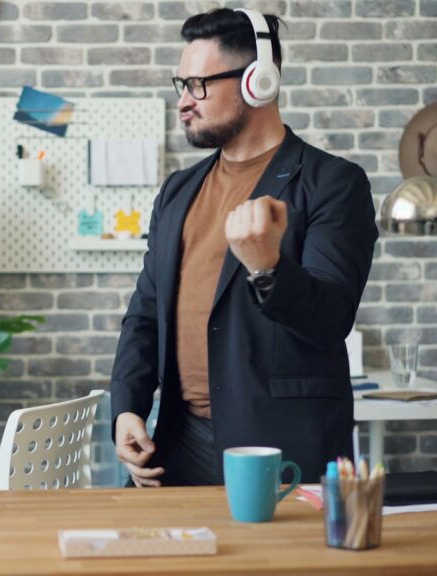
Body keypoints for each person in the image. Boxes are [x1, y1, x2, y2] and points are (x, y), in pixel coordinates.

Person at [110, 8, 378, 487]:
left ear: (258, 81)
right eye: (182, 85)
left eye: (199, 85)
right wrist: (127, 408)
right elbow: (146, 312)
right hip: (175, 443)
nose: (183, 103)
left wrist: (267, 268)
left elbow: (332, 317)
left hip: (278, 446)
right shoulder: (177, 191)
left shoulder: (333, 184)